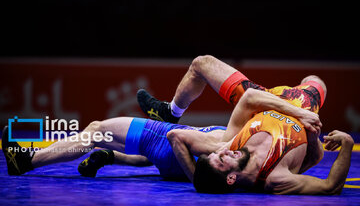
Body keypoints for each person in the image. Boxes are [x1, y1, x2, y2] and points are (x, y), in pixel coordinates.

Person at [2, 81, 319, 180]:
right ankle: (111, 156)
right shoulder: (246, 156)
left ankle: (27, 161)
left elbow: (175, 138)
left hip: (163, 138)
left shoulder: (232, 146)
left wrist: (196, 178)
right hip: (169, 159)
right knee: (145, 156)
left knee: (98, 128)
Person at [135, 55, 354, 194]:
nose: (226, 153)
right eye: (222, 160)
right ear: (231, 178)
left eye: (219, 155)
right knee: (316, 80)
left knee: (201, 64)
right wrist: (346, 143)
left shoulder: (227, 145)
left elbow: (175, 136)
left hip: (263, 99)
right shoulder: (276, 179)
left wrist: (200, 182)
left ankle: (169, 112)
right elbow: (329, 185)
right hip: (303, 103)